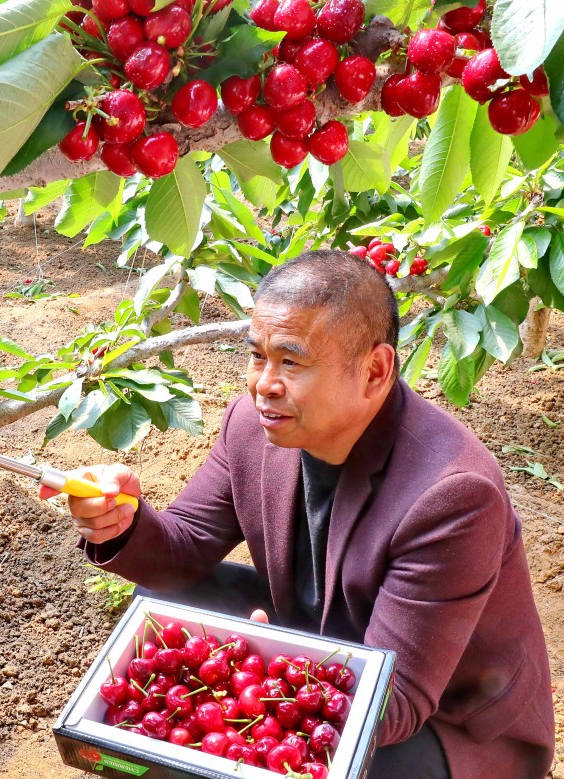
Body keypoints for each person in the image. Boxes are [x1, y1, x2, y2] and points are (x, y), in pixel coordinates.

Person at [40, 250, 555, 778]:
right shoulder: (254, 424)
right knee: (163, 601)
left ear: (374, 370)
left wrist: (272, 669)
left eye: (291, 362)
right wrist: (124, 520)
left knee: (341, 763)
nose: (265, 382)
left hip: (447, 721)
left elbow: (394, 701)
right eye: (258, 356)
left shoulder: (452, 495)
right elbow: (186, 545)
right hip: (322, 636)